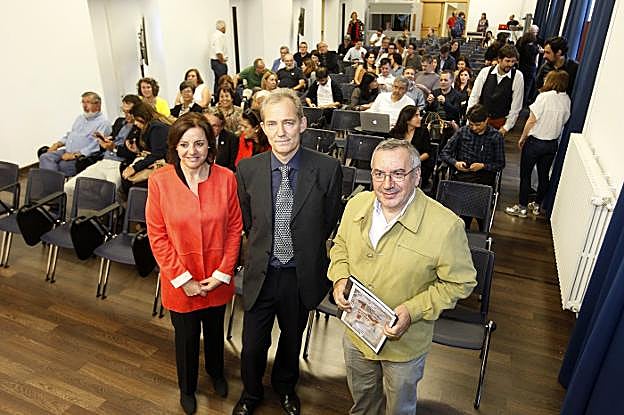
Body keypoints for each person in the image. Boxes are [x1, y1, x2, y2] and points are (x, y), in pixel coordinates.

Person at [329, 138, 477, 415]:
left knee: (400, 409)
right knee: (363, 403)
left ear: (417, 176)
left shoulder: (446, 226)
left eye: (398, 173)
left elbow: (461, 283)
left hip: (404, 346)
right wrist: (339, 278)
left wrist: (413, 310)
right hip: (357, 333)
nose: (387, 184)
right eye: (379, 174)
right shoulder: (356, 204)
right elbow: (340, 246)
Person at [233, 88, 342, 415]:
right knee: (252, 346)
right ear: (263, 128)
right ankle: (251, 393)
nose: (280, 131)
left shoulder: (327, 169)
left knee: (291, 341)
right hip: (262, 273)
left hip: (300, 275)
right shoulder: (247, 170)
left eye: (288, 122)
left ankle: (285, 388)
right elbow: (250, 222)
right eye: (272, 123)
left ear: (302, 124)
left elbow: (327, 221)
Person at [146, 112, 242, 415]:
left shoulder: (226, 178)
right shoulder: (159, 181)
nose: (192, 151)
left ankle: (216, 373)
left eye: (199, 143)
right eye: (185, 144)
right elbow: (157, 235)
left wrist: (223, 272)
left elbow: (234, 229)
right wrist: (183, 279)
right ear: (175, 146)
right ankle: (187, 388)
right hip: (180, 281)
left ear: (210, 145)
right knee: (186, 338)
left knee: (214, 332)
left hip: (216, 277)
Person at [506, 70, 570, 218]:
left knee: (525, 175)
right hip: (551, 144)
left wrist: (523, 137)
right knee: (544, 176)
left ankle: (522, 208)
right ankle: (536, 205)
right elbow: (565, 120)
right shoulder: (566, 99)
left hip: (535, 143)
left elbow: (531, 120)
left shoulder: (544, 97)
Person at [63, 95, 138, 202]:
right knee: (69, 187)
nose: (126, 115)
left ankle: (112, 211)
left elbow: (134, 153)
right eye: (124, 111)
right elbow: (111, 138)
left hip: (120, 164)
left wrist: (114, 148)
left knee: (111, 193)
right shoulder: (119, 122)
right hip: (104, 160)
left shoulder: (139, 128)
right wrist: (103, 140)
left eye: (129, 112)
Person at [440, 103, 505, 212]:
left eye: (478, 125)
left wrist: (483, 166)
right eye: (471, 124)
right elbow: (445, 152)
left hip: (483, 179)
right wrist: (455, 163)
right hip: (462, 176)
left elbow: (500, 164)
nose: (474, 128)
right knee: (458, 206)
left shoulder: (495, 137)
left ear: (486, 120)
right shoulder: (462, 132)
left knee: (477, 208)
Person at [39, 92, 111, 177]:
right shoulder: (80, 118)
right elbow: (70, 135)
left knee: (58, 166)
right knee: (44, 157)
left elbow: (96, 146)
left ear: (98, 105)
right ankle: (54, 182)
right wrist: (57, 144)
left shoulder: (103, 123)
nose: (84, 105)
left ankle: (52, 183)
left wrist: (75, 155)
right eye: (83, 102)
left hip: (81, 158)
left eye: (88, 102)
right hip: (66, 151)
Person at [468, 45, 524, 136]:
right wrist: (470, 120)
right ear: (499, 59)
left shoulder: (518, 76)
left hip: (500, 121)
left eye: (513, 61)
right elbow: (474, 97)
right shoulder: (485, 72)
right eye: (507, 61)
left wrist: (506, 127)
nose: (510, 64)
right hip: (480, 120)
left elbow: (516, 106)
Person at [120, 102, 170, 193]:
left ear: (143, 117)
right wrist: (138, 151)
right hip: (159, 162)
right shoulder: (152, 126)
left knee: (131, 181)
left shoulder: (157, 128)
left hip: (165, 165)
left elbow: (157, 154)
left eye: (136, 119)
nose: (135, 123)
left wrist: (134, 168)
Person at [389, 106, 434, 187]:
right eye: (416, 116)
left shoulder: (423, 131)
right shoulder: (395, 132)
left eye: (419, 115)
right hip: (397, 164)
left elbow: (427, 153)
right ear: (407, 119)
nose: (420, 118)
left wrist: (412, 162)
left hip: (417, 165)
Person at [517, 28, 541, 106]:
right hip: (530, 69)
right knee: (527, 87)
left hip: (521, 67)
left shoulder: (521, 46)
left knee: (519, 86)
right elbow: (539, 51)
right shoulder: (533, 48)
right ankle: (523, 104)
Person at [210, 20, 229, 95]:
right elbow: (218, 51)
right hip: (219, 62)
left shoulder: (214, 35)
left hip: (214, 62)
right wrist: (222, 61)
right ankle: (222, 96)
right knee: (222, 81)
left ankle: (217, 97)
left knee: (217, 81)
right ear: (223, 27)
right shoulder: (220, 36)